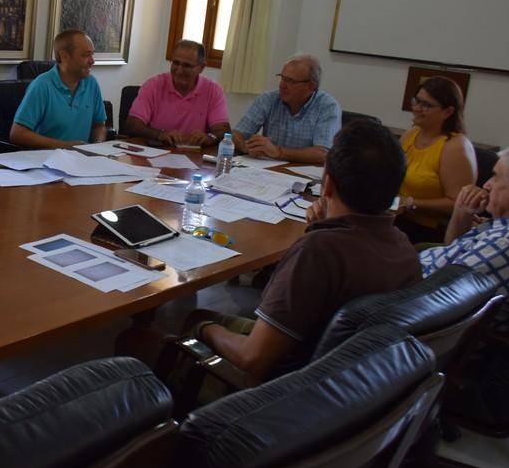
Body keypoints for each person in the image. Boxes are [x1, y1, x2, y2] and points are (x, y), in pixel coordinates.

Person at [187, 120, 420, 383]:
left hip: (281, 390)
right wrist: (322, 230)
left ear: (327, 185)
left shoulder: (317, 252)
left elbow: (253, 358)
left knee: (190, 321)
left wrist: (202, 329)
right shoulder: (405, 249)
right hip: (357, 386)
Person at [419, 144, 509, 330]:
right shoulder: (507, 228)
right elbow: (452, 250)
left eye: (496, 176)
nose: (487, 184)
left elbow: (436, 295)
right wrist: (462, 213)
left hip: (415, 313)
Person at [396, 75, 477, 243]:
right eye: (416, 101)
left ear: (448, 112)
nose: (417, 108)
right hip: (399, 218)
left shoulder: (456, 147)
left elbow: (459, 204)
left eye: (426, 105)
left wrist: (411, 203)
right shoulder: (411, 134)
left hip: (429, 229)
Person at [232, 54, 340, 165]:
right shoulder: (268, 99)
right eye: (282, 78)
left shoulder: (327, 106)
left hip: (302, 173)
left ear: (311, 86)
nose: (282, 85)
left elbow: (323, 154)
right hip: (266, 169)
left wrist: (278, 152)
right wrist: (246, 147)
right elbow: (235, 134)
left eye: (290, 81)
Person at [10, 29, 107, 148]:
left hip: (81, 157)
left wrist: (97, 145)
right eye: (85, 55)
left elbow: (99, 125)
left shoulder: (91, 83)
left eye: (92, 54)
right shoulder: (42, 85)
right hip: (45, 157)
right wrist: (65, 146)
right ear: (64, 56)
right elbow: (18, 134)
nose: (92, 61)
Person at [125, 39, 230, 147]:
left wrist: (210, 137)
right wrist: (160, 134)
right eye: (176, 63)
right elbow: (132, 125)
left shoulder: (213, 91)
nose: (179, 70)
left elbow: (223, 130)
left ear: (201, 67)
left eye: (187, 65)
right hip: (157, 150)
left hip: (194, 154)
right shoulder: (153, 85)